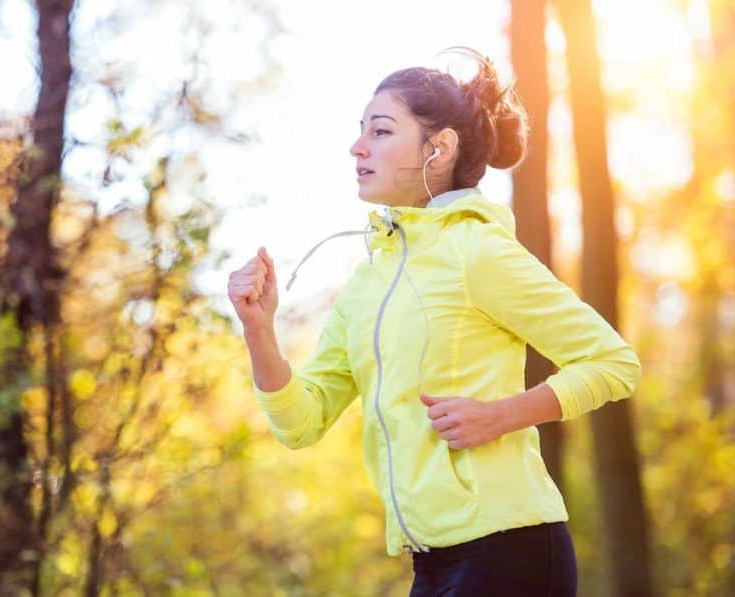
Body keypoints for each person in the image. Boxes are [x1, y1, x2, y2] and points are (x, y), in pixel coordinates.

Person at [226, 47, 641, 597]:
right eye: (361, 132)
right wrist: (259, 330)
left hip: (510, 545)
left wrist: (501, 416)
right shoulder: (366, 284)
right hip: (431, 563)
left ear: (438, 147)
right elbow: (302, 422)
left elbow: (613, 363)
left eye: (380, 131)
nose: (357, 147)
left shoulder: (477, 250)